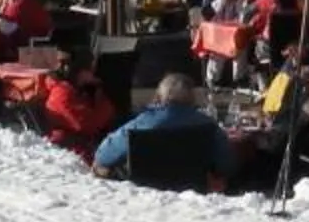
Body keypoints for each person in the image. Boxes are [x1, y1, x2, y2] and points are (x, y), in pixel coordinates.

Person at [93, 74, 233, 190]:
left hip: (145, 192)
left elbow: (103, 156)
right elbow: (225, 164)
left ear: (160, 96)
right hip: (193, 191)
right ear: (192, 98)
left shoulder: (142, 123)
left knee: (100, 168)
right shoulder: (208, 125)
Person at [38, 54, 115, 162]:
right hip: (71, 148)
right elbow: (88, 124)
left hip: (81, 142)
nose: (93, 73)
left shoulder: (75, 90)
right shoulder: (62, 93)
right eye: (89, 69)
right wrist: (101, 98)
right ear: (78, 71)